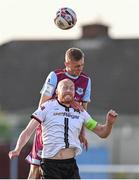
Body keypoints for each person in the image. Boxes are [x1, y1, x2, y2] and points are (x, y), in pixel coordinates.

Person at [9, 79, 118, 179]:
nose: (68, 90)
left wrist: (109, 123)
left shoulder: (80, 112)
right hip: (50, 165)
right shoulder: (47, 107)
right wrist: (17, 149)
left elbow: (102, 132)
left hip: (70, 165)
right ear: (56, 91)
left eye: (71, 88)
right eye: (65, 87)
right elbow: (28, 131)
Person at [26, 47, 92, 178]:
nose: (80, 69)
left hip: (68, 134)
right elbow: (42, 104)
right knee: (35, 170)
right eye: (76, 66)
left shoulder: (86, 80)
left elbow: (83, 109)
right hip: (48, 132)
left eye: (82, 65)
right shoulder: (54, 76)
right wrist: (44, 129)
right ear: (67, 63)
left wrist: (82, 132)